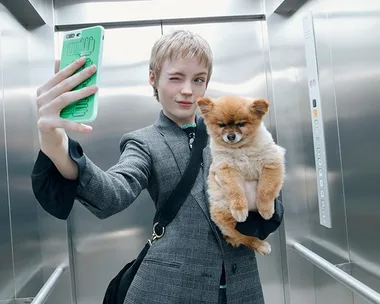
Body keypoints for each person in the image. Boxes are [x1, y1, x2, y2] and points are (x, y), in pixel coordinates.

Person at [31, 29, 268, 304]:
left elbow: (273, 204)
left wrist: (256, 199)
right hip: (170, 289)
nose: (188, 90)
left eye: (198, 80)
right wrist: (55, 142)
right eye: (176, 78)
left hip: (242, 287)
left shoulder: (235, 131)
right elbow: (110, 195)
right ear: (153, 79)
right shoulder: (143, 142)